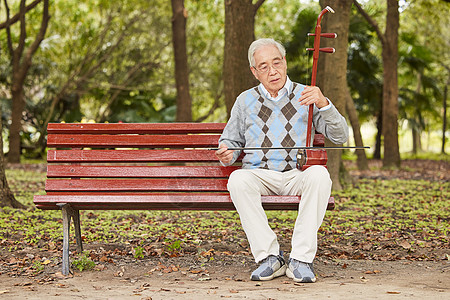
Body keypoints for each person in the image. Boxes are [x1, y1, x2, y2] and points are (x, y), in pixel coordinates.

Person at [215, 38, 349, 283]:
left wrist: (323, 103)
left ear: (285, 62)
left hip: (296, 174)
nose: (272, 70)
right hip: (260, 175)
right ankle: (270, 258)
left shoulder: (306, 96)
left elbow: (340, 136)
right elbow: (231, 142)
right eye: (263, 66)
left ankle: (300, 259)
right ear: (254, 72)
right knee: (237, 179)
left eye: (276, 62)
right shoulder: (245, 101)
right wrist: (227, 153)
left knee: (319, 175)